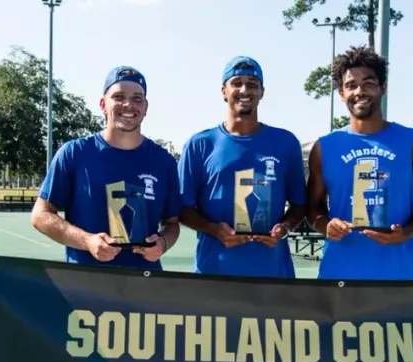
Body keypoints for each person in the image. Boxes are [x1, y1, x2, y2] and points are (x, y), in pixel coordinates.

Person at [305, 46, 413, 281]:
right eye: (351, 85)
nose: (360, 91)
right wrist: (326, 225)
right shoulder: (325, 147)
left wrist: (406, 232)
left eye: (368, 83)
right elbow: (313, 209)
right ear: (341, 93)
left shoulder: (411, 141)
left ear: (383, 87)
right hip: (337, 279)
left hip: (397, 279)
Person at [32, 66, 181, 271]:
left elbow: (172, 223)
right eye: (118, 97)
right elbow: (41, 215)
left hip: (146, 284)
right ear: (103, 104)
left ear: (146, 107)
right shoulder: (74, 153)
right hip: (88, 283)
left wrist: (162, 243)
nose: (128, 104)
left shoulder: (164, 161)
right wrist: (87, 241)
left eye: (137, 98)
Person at [177, 56, 307, 278]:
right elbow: (182, 209)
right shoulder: (200, 144)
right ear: (223, 91)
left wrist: (283, 228)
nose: (245, 89)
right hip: (213, 275)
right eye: (236, 83)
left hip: (272, 276)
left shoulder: (285, 142)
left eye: (252, 84)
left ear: (262, 92)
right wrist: (214, 230)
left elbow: (299, 205)